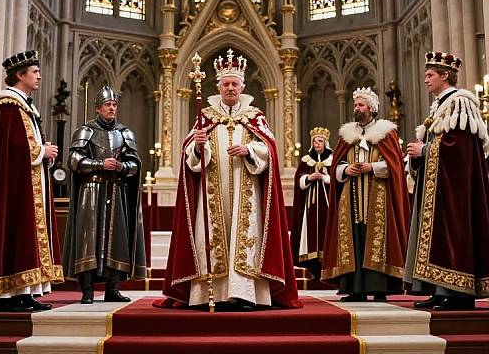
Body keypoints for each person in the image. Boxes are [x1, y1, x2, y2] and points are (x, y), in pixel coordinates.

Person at [161, 48, 300, 310]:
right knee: (211, 238)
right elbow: (190, 157)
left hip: (246, 191)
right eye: (226, 84)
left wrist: (249, 150)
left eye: (234, 84)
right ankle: (206, 294)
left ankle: (245, 294)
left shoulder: (255, 117)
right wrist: (199, 146)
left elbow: (269, 151)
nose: (230, 88)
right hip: (212, 192)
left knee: (245, 239)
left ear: (242, 86)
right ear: (219, 86)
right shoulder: (206, 117)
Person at [0, 50, 63, 312]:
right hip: (14, 189)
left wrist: (41, 149)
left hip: (26, 183)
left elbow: (20, 144)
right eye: (34, 72)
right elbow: (14, 148)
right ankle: (9, 293)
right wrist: (41, 152)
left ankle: (24, 292)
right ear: (20, 75)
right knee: (16, 232)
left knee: (23, 235)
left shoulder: (22, 107)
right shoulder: (8, 108)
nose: (39, 76)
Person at [405, 51, 489, 311]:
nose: (426, 80)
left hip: (454, 189)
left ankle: (455, 292)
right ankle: (438, 289)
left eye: (430, 75)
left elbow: (459, 149)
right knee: (436, 236)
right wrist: (419, 154)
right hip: (439, 184)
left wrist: (425, 151)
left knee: (452, 234)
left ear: (445, 75)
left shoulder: (460, 103)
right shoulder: (441, 106)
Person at [321, 87, 410, 302]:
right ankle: (356, 289)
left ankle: (380, 288)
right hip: (350, 198)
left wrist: (371, 167)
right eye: (355, 105)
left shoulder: (386, 133)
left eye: (361, 105)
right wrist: (346, 170)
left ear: (371, 108)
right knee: (354, 240)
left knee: (378, 240)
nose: (357, 109)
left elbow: (395, 166)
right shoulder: (346, 135)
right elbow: (336, 166)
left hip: (378, 197)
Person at [63, 85, 146, 304]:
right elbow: (73, 161)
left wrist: (121, 167)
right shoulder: (85, 131)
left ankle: (113, 288)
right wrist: (100, 163)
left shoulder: (125, 132)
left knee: (117, 239)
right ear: (98, 108)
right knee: (89, 238)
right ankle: (88, 289)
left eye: (114, 105)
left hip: (117, 190)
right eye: (108, 105)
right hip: (91, 191)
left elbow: (135, 164)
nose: (112, 108)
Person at [290, 127, 333, 279]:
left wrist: (324, 178)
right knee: (309, 236)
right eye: (314, 141)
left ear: (325, 142)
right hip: (310, 206)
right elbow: (299, 179)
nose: (317, 144)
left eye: (320, 141)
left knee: (327, 232)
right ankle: (313, 267)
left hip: (327, 205)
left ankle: (327, 268)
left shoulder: (332, 159)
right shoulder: (306, 160)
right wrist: (308, 178)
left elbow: (338, 180)